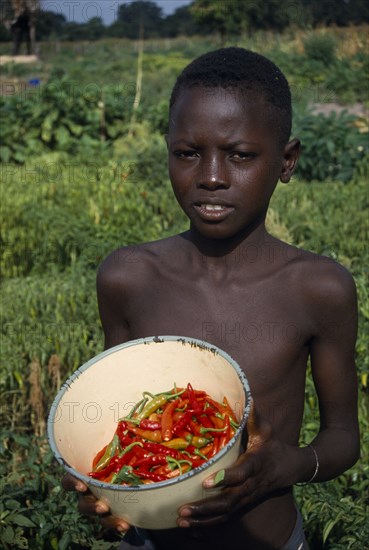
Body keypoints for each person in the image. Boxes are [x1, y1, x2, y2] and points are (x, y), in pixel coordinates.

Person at [63, 47, 360, 549]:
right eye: (187, 153)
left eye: (240, 155)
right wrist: (94, 487)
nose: (212, 176)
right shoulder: (127, 278)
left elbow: (343, 439)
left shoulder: (318, 288)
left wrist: (284, 464)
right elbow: (112, 423)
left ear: (287, 161)